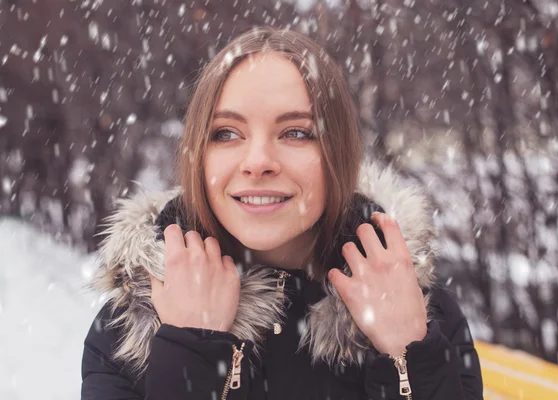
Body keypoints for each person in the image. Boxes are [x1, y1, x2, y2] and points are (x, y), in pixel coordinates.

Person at [80, 26, 483, 400]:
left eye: (296, 132)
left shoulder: (425, 313)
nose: (258, 162)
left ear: (337, 156)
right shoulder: (130, 326)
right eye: (226, 133)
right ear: (197, 158)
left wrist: (408, 356)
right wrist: (189, 348)